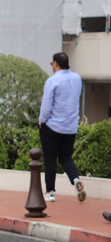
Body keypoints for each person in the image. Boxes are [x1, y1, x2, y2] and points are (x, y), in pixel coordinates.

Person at [39, 52, 85, 202]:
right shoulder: (77, 78)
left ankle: (50, 192)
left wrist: (41, 121)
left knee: (50, 159)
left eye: (52, 64)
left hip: (52, 126)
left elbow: (46, 106)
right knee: (66, 157)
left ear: (56, 64)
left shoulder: (52, 80)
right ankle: (75, 179)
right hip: (70, 127)